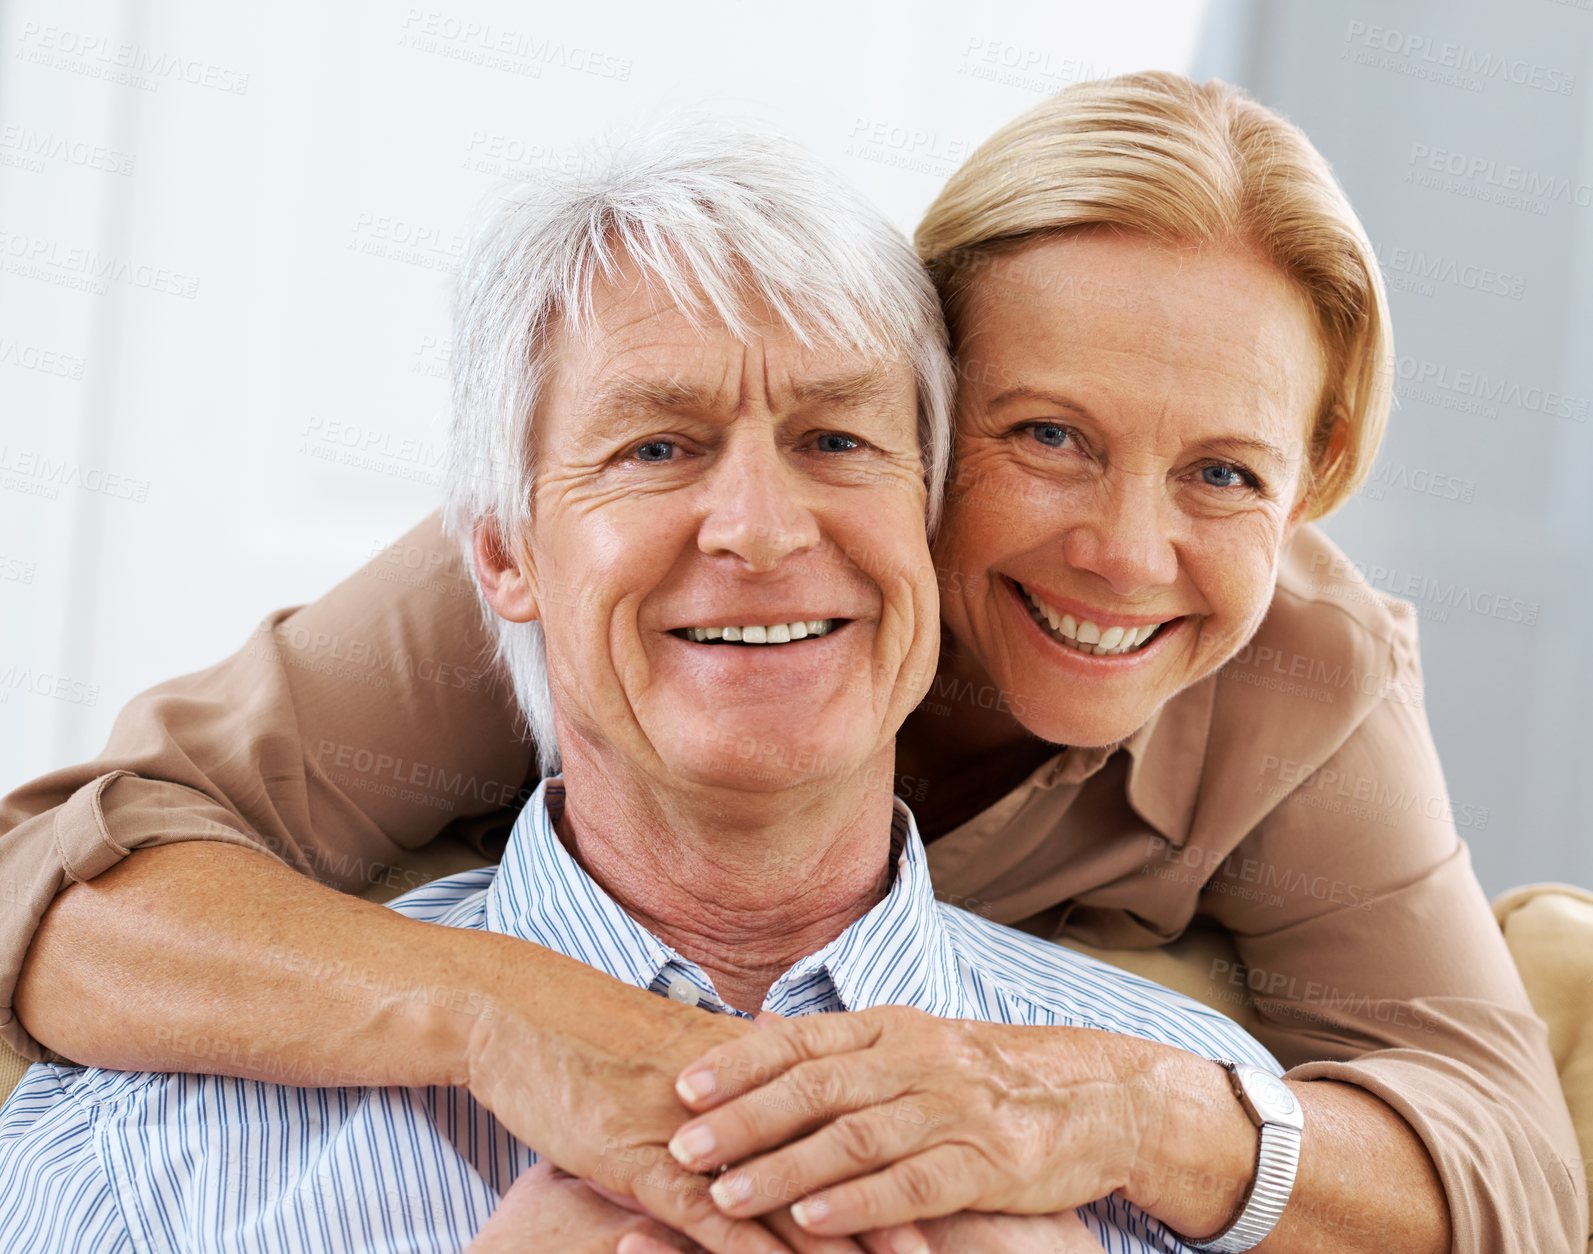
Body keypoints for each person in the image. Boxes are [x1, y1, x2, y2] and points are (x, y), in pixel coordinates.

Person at [1, 72, 1583, 1253]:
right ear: (936, 402)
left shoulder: (1303, 673)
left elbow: (1512, 1151)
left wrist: (1120, 1107)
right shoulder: (576, 536)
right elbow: (61, 875)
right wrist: (538, 1026)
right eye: (1045, 436)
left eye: (1225, 473)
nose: (1122, 547)